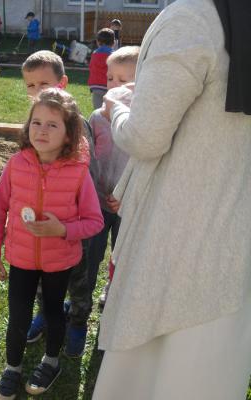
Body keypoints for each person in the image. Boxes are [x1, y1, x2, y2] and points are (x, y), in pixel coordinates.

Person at [93, 0, 251, 399]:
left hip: (173, 242)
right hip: (237, 245)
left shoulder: (193, 16)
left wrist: (116, 108)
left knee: (149, 374)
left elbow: (144, 137)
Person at [0, 88, 103, 399]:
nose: (42, 130)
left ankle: (51, 362)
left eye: (52, 125)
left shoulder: (78, 173)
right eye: (36, 122)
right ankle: (12, 367)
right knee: (18, 316)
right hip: (21, 259)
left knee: (53, 313)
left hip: (59, 261)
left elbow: (94, 221)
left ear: (69, 134)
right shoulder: (16, 165)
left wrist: (62, 229)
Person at [21, 50, 98, 357]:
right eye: (30, 85)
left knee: (78, 280)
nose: (37, 91)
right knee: (44, 276)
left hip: (72, 226)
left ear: (62, 83)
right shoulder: (33, 124)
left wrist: (70, 225)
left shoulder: (77, 126)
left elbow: (86, 176)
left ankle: (77, 322)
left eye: (44, 84)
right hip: (41, 224)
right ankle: (46, 312)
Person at [87, 46, 139, 307]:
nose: (114, 86)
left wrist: (127, 196)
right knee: (91, 253)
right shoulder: (97, 118)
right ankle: (82, 295)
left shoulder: (141, 124)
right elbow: (88, 158)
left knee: (122, 253)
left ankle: (113, 289)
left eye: (123, 80)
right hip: (96, 202)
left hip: (127, 205)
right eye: (110, 79)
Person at [88, 28, 115, 109]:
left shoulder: (94, 54)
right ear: (113, 42)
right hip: (108, 86)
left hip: (95, 86)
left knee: (98, 109)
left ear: (98, 42)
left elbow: (91, 68)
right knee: (110, 109)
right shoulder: (113, 55)